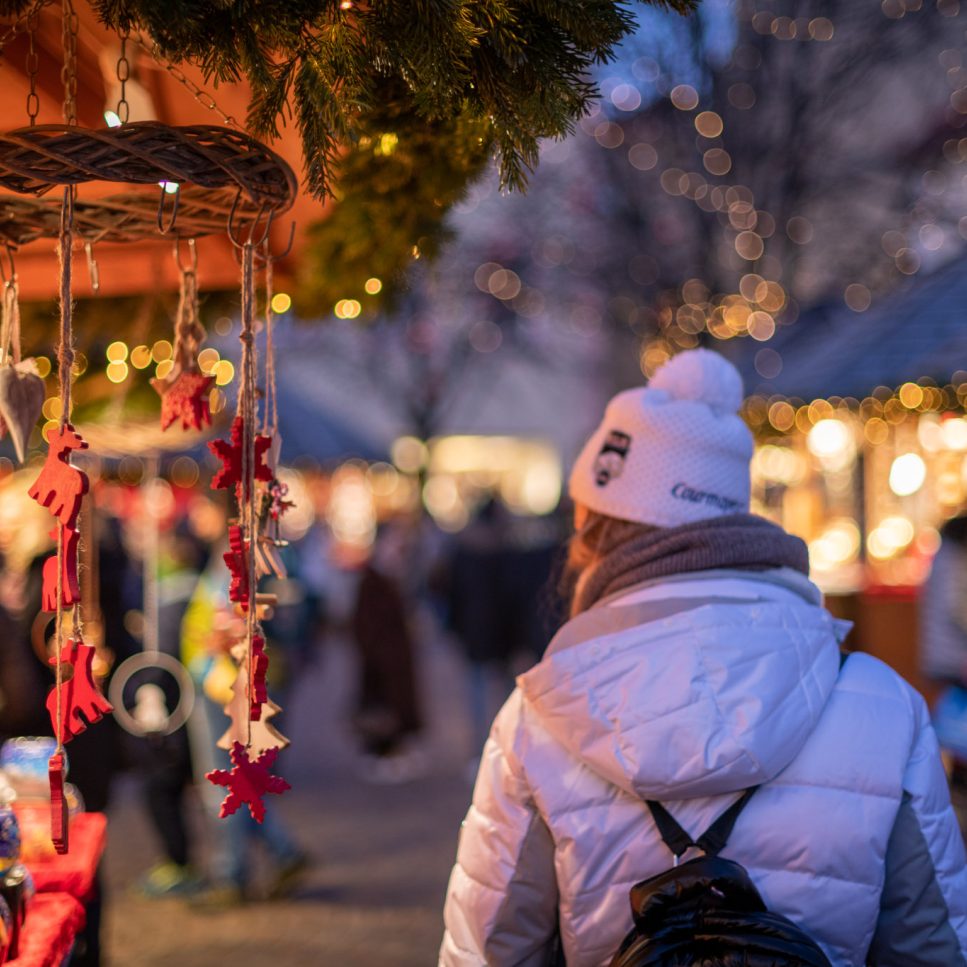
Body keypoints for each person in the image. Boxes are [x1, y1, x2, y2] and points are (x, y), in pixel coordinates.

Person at [440, 349, 967, 966]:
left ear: (597, 530)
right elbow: (931, 946)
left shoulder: (538, 713)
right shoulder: (881, 703)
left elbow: (491, 951)